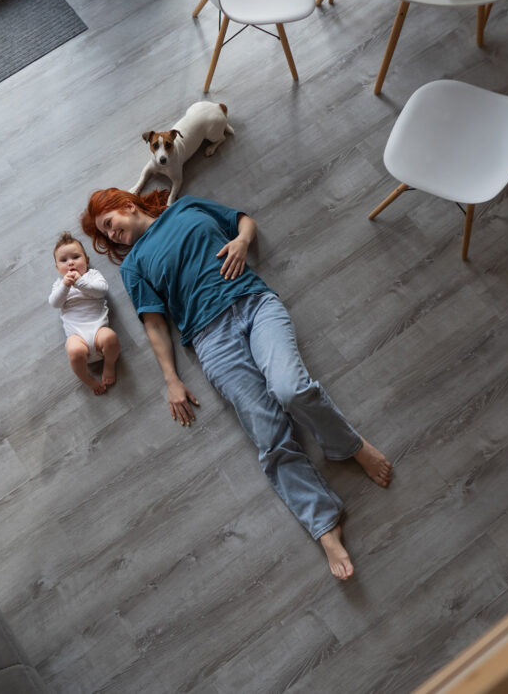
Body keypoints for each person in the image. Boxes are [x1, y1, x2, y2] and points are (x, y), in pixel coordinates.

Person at [80, 189, 392, 579]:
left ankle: (348, 446)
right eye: (107, 237)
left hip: (253, 303)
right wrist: (171, 379)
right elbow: (155, 324)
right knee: (267, 432)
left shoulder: (186, 207)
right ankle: (324, 525)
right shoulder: (134, 267)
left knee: (291, 389)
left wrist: (242, 242)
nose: (113, 236)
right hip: (211, 339)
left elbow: (243, 220)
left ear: (126, 206)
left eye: (110, 225)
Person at [48, 232, 120, 395]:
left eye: (76, 257)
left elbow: (101, 291)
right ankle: (88, 379)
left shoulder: (92, 275)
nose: (71, 263)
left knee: (110, 338)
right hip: (77, 335)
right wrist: (66, 286)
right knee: (73, 351)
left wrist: (80, 282)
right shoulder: (59, 284)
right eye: (64, 260)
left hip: (98, 331)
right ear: (58, 268)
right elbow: (54, 303)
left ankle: (109, 365)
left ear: (86, 260)